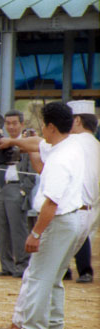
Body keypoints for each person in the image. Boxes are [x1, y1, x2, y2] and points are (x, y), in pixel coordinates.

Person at [0, 102, 85, 329]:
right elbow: (37, 144)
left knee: (38, 277)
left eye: (43, 125)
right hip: (71, 221)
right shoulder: (69, 145)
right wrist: (13, 142)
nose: (41, 131)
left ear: (51, 127)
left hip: (56, 221)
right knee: (54, 278)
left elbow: (51, 203)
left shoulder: (59, 159)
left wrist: (35, 233)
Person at [0, 110, 36, 277]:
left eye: (14, 123)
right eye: (8, 123)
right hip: (1, 187)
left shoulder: (27, 142)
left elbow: (33, 170)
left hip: (17, 188)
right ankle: (6, 265)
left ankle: (22, 265)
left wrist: (24, 190)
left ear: (21, 124)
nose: (11, 126)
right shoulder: (0, 142)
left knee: (18, 229)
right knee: (1, 229)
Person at [63, 100, 100, 284]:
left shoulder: (73, 140)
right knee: (84, 236)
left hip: (79, 203)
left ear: (77, 121)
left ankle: (67, 269)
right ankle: (82, 271)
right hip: (93, 202)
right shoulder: (96, 144)